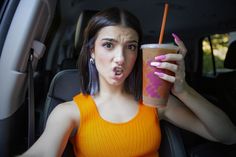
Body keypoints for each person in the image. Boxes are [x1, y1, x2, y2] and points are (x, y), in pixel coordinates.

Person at [19, 7, 236, 157]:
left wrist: (184, 91)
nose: (121, 58)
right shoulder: (70, 111)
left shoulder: (155, 103)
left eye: (131, 46)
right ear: (91, 51)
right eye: (108, 45)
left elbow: (227, 136)